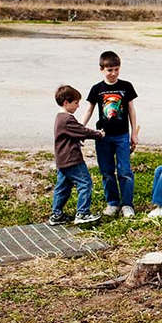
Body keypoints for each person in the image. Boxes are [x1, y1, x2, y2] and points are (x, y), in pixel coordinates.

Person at [81, 50, 138, 218]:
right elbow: (89, 110)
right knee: (106, 171)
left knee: (125, 171)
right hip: (103, 137)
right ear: (101, 69)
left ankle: (127, 204)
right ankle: (112, 203)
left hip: (122, 136)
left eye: (116, 69)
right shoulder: (96, 89)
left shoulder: (126, 86)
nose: (113, 73)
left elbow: (131, 111)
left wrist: (134, 133)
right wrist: (79, 129)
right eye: (109, 70)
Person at [50, 85, 103, 226]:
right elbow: (82, 130)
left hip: (62, 159)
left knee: (63, 187)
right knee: (85, 183)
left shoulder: (59, 117)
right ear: (66, 103)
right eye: (76, 103)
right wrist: (99, 134)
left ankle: (56, 214)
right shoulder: (67, 119)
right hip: (72, 159)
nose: (78, 106)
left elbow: (71, 134)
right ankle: (83, 213)